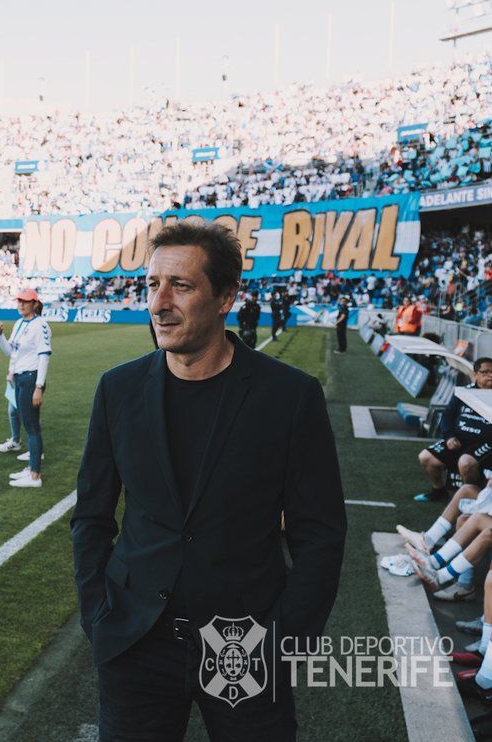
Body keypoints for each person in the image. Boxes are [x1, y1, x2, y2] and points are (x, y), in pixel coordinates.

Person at [71, 220, 346, 740]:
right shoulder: (119, 389)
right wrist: (97, 612)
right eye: (152, 284)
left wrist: (282, 643)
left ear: (225, 298)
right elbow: (91, 515)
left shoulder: (289, 397)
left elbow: (321, 533)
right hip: (135, 642)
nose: (159, 302)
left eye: (181, 285)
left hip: (245, 648)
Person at [0, 288, 51, 487]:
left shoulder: (40, 324)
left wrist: (39, 386)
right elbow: (10, 351)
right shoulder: (19, 323)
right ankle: (32, 470)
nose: (21, 304)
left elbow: (44, 356)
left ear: (35, 304)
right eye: (19, 301)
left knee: (32, 428)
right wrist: (0, 336)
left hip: (30, 378)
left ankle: (35, 476)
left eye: (26, 301)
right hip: (19, 379)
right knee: (29, 425)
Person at [415, 358, 492, 502]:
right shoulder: (464, 392)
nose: (490, 375)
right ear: (475, 374)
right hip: (458, 439)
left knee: (466, 463)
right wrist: (449, 437)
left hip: (485, 443)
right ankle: (439, 491)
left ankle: (467, 501)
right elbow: (447, 415)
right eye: (485, 372)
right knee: (426, 457)